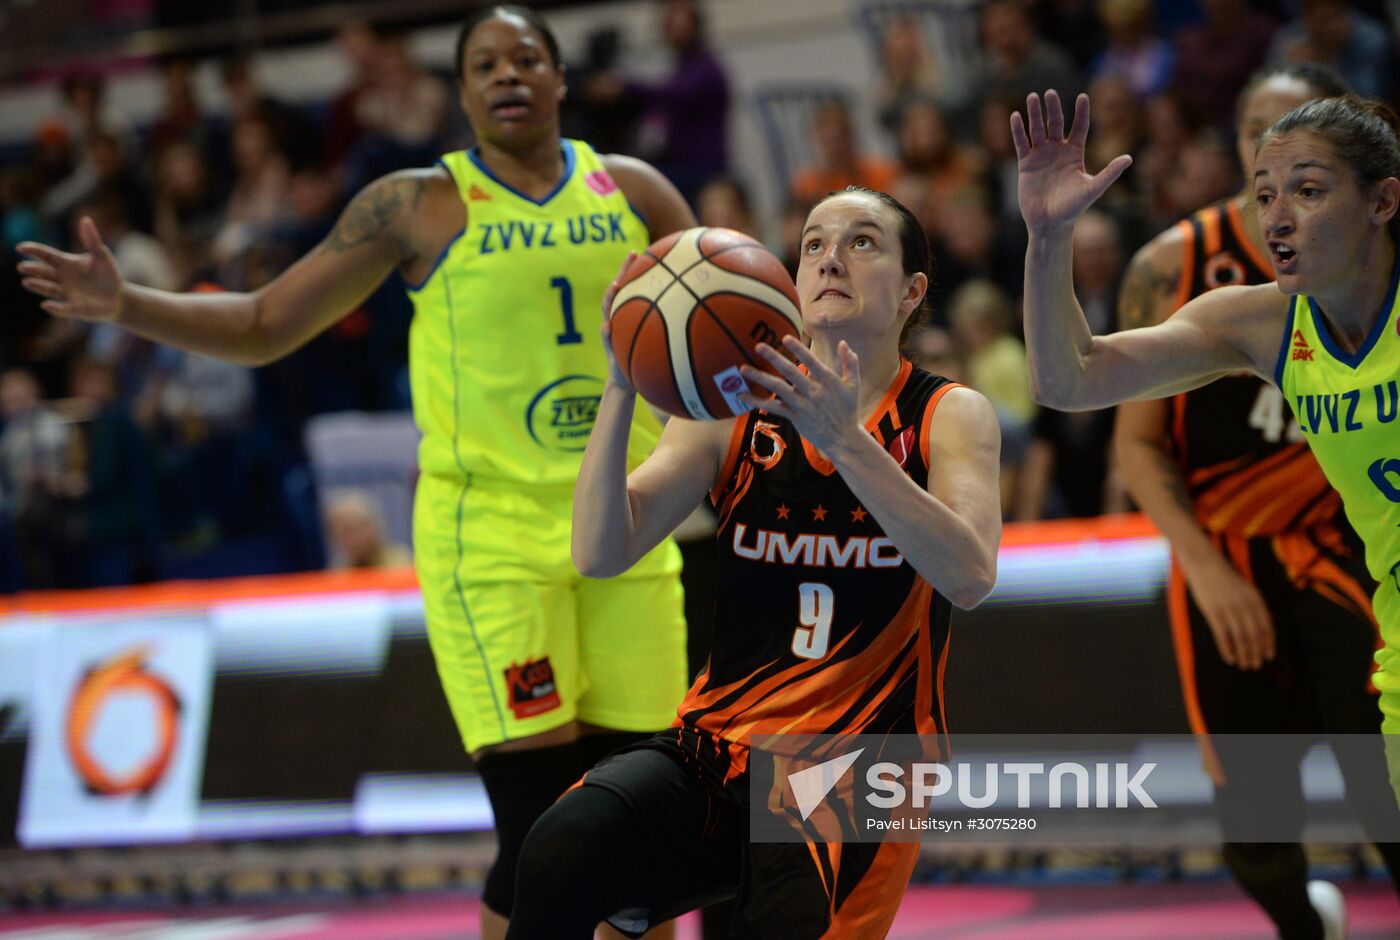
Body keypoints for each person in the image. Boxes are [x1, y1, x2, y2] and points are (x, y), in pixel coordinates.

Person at [15, 7, 695, 938]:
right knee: (545, 823)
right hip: (492, 543)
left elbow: (714, 346)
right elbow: (262, 323)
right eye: (486, 63)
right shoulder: (418, 204)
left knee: (645, 831)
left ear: (561, 78)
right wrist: (126, 300)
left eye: (527, 57)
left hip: (631, 532)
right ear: (459, 92)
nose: (508, 74)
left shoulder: (640, 194)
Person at [506, 186, 1002, 938]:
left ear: (912, 291)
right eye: (812, 242)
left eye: (862, 241)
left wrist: (846, 442)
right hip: (716, 744)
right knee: (557, 850)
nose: (830, 256)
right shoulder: (731, 408)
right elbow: (600, 550)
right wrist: (621, 379)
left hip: (858, 766)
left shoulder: (947, 412)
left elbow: (968, 576)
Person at [1013, 86, 1400, 936]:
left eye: (1307, 188)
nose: (1278, 217)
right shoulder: (1262, 323)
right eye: (1264, 193)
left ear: (1382, 200)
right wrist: (1048, 240)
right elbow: (1068, 379)